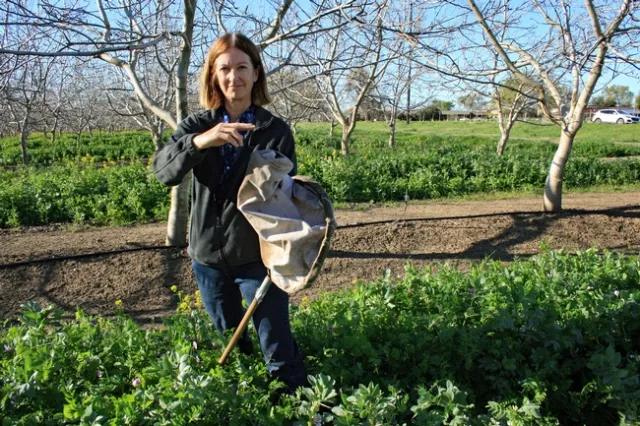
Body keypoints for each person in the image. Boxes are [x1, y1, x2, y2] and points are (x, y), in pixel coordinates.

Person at [153, 33, 306, 392]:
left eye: (242, 67)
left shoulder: (274, 131)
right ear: (213, 75)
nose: (233, 77)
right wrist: (202, 142)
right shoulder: (196, 126)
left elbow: (284, 198)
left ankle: (297, 407)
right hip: (206, 258)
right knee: (233, 343)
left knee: (277, 347)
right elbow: (164, 171)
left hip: (259, 259)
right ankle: (248, 403)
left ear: (256, 73)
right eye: (224, 68)